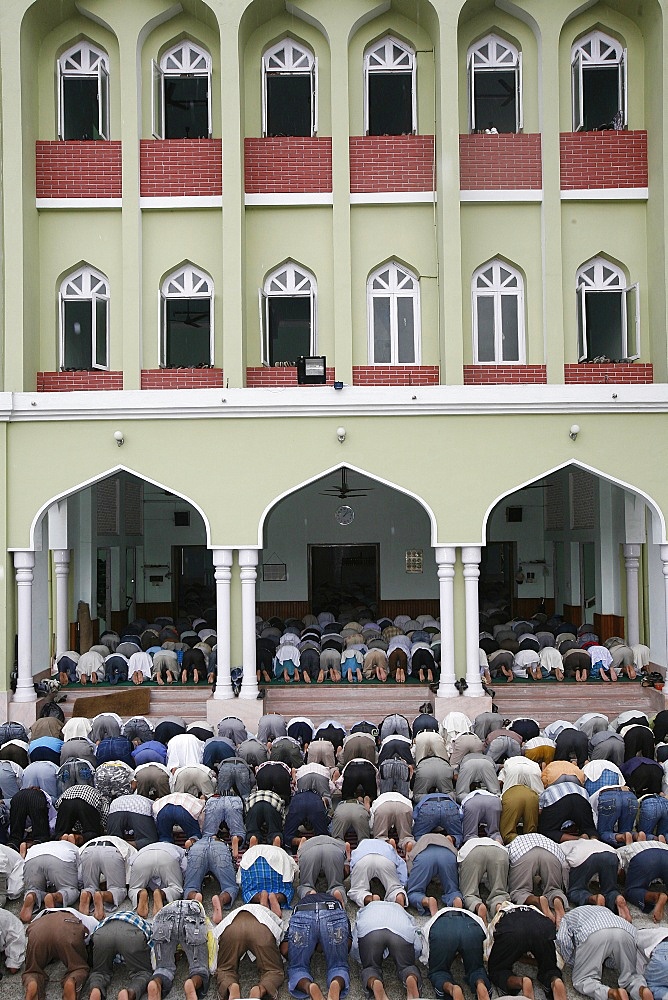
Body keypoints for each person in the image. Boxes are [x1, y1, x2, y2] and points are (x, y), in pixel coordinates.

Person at [556, 905, 653, 1000]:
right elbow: (611, 951)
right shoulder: (605, 910)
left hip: (594, 930)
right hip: (625, 930)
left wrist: (574, 962)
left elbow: (563, 939)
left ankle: (612, 993)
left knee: (582, 980)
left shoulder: (567, 917)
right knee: (631, 974)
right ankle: (641, 990)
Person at [487, 902, 567, 1000]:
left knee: (497, 970)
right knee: (550, 968)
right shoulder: (533, 909)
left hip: (512, 932)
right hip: (542, 928)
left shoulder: (500, 915)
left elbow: (489, 950)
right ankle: (556, 981)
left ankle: (522, 981)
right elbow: (557, 959)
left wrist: (516, 957)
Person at [213, 901, 286, 1000]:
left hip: (232, 927)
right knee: (273, 970)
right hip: (261, 928)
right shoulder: (268, 914)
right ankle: (260, 989)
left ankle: (231, 986)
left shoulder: (236, 911)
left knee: (225, 969)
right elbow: (280, 937)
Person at [351, 899, 422, 1000]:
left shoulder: (365, 909)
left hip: (371, 931)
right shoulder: (400, 909)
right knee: (407, 966)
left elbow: (354, 943)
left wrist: (360, 957)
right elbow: (417, 943)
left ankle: (375, 983)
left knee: (371, 968)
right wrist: (411, 957)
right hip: (400, 932)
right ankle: (411, 980)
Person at [23, 906, 97, 1000]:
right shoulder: (88, 919)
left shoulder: (43, 914)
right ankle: (72, 980)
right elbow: (99, 934)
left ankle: (32, 982)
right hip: (68, 928)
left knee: (32, 969)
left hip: (37, 929)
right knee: (78, 967)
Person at [287, 893, 351, 1000]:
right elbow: (348, 943)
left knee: (297, 968)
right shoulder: (335, 901)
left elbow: (285, 948)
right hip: (333, 911)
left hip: (302, 912)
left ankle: (309, 986)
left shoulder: (304, 899)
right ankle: (336, 984)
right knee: (338, 966)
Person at [147, 897, 215, 1000]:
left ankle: (156, 982)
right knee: (199, 968)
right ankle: (192, 983)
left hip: (164, 916)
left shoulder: (168, 907)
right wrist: (211, 967)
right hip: (191, 919)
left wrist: (158, 963)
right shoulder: (201, 913)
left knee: (163, 968)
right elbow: (211, 939)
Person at [421, 906, 491, 1000]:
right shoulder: (469, 914)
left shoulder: (434, 919)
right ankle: (480, 984)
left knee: (438, 971)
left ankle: (452, 988)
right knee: (476, 968)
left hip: (442, 930)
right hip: (471, 926)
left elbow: (427, 954)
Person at [88, 909, 154, 1000]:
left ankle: (96, 989)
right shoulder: (144, 923)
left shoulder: (108, 919)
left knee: (99, 971)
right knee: (142, 973)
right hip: (131, 935)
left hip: (103, 934)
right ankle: (130, 993)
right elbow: (152, 945)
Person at [405, 834, 462, 914]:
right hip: (447, 855)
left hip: (424, 856)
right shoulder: (445, 839)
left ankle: (427, 901)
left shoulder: (420, 841)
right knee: (453, 890)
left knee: (414, 892)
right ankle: (455, 899)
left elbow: (410, 870)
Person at [296, 836, 349, 904]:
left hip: (308, 850)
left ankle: (309, 893)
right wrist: (339, 878)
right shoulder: (340, 843)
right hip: (334, 849)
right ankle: (336, 890)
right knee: (336, 885)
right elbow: (347, 870)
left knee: (305, 885)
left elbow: (300, 869)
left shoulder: (305, 844)